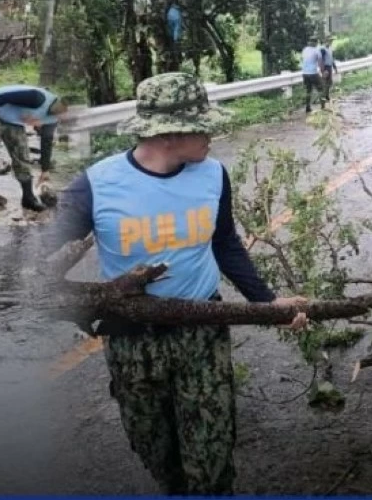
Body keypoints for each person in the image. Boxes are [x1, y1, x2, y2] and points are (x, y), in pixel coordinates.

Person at [46, 72, 309, 495]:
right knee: (158, 453)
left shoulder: (213, 175)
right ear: (168, 134)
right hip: (133, 340)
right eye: (202, 127)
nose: (211, 135)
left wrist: (268, 303)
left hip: (202, 330)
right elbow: (45, 259)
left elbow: (225, 243)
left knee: (211, 458)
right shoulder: (95, 186)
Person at [300, 36, 325, 113]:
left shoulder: (305, 50)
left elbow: (303, 60)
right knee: (321, 89)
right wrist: (323, 73)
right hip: (313, 73)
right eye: (316, 42)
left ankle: (307, 107)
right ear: (315, 43)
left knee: (308, 90)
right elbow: (320, 63)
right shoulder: (316, 50)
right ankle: (323, 107)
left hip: (305, 73)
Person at [319, 37, 340, 104]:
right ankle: (322, 98)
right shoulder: (323, 49)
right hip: (325, 67)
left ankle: (326, 96)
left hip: (329, 66)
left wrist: (335, 67)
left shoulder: (330, 49)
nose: (330, 42)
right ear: (326, 41)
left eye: (331, 41)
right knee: (325, 83)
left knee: (329, 82)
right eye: (329, 41)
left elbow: (331, 59)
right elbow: (321, 60)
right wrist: (323, 70)